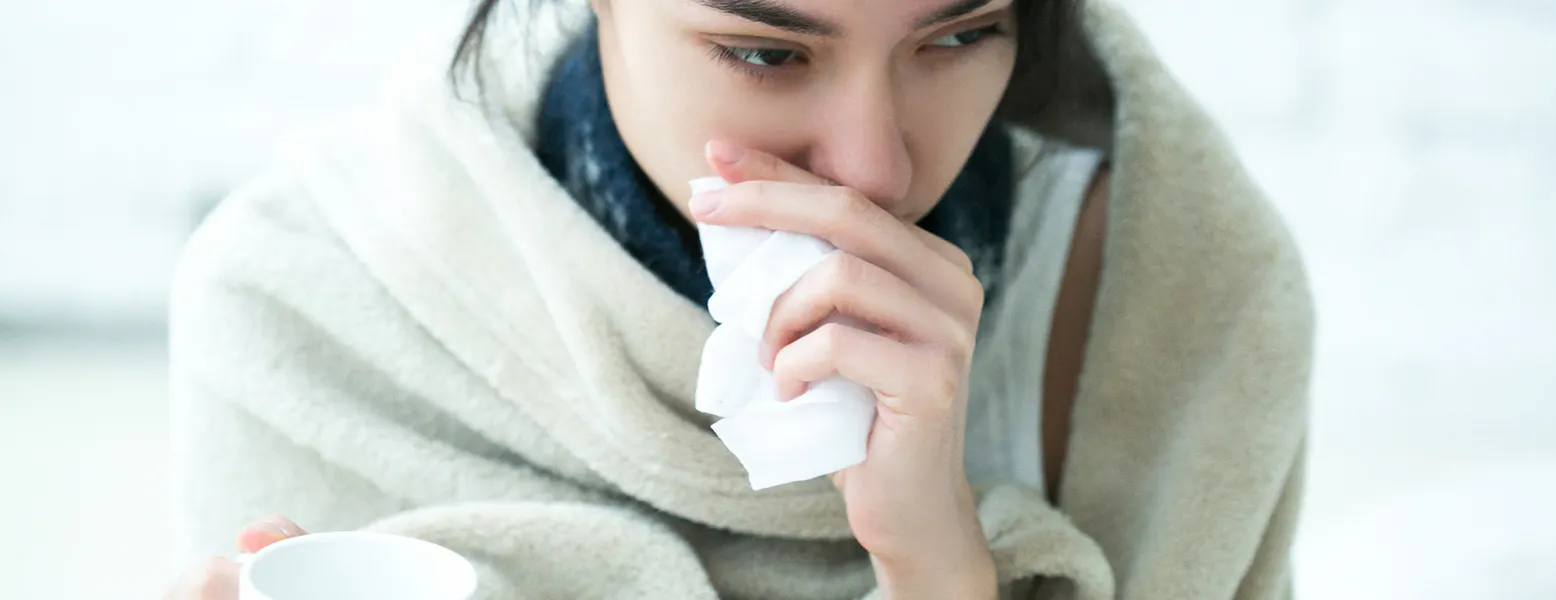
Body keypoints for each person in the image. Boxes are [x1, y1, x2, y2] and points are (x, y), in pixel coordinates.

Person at [163, 0, 1313, 597]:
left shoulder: (1167, 299)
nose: (872, 169)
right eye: (767, 52)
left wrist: (936, 568)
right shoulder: (304, 305)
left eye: (960, 34)